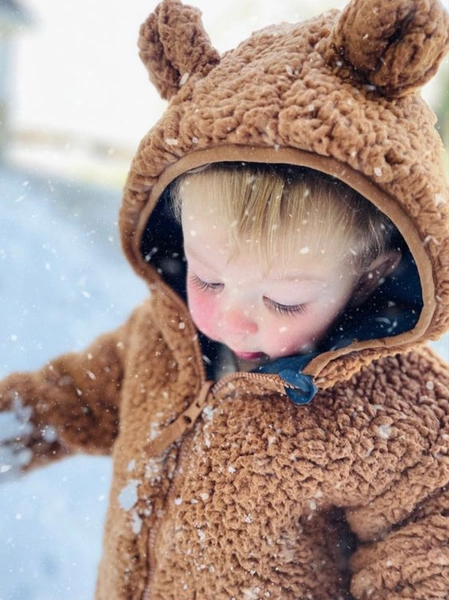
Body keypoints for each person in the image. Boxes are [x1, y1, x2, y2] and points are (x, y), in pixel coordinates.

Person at [2, 0, 449, 598]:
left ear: (372, 275)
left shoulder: (400, 416)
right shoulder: (165, 339)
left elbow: (427, 554)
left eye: (284, 301)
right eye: (207, 278)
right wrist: (16, 423)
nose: (230, 318)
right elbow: (73, 399)